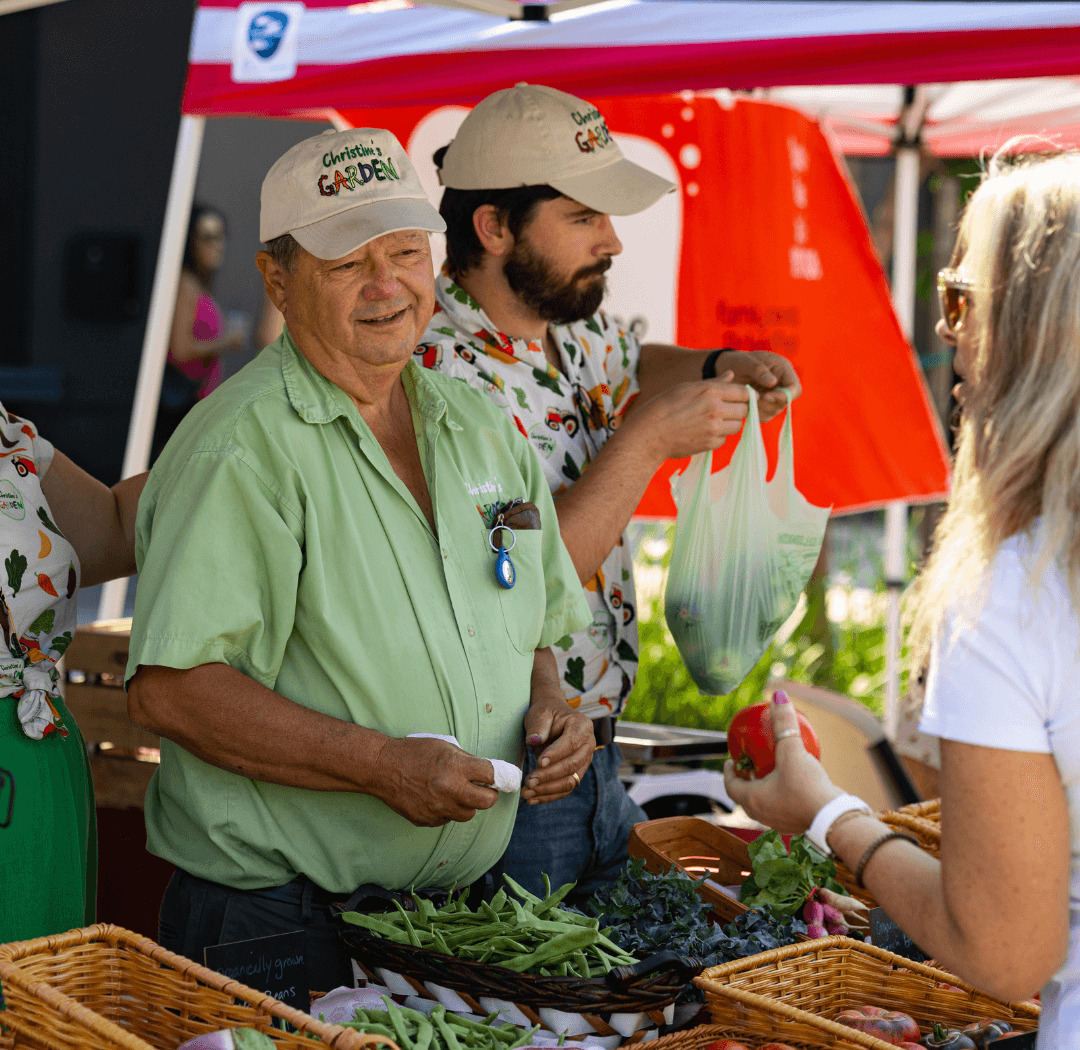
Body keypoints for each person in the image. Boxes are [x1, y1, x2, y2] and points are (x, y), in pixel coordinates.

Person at [124, 127, 592, 991]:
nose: (388, 287)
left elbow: (531, 629)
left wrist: (553, 709)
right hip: (277, 921)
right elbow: (172, 688)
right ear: (277, 279)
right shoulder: (242, 448)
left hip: (449, 914)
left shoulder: (481, 427)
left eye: (406, 252)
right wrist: (382, 767)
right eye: (347, 264)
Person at [725, 152, 1080, 1046]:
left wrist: (828, 813)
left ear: (1034, 327)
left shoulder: (1019, 590)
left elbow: (1003, 950)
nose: (942, 327)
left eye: (960, 298)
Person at [416, 83, 802, 903]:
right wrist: (647, 442)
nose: (614, 240)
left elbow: (628, 361)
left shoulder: (563, 319)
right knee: (529, 1009)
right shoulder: (437, 372)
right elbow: (518, 582)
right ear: (493, 227)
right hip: (510, 767)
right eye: (584, 216)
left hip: (593, 746)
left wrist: (714, 367)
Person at [0, 408, 146, 943]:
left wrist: (242, 427)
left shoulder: (7, 436)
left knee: (43, 1007)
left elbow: (113, 528)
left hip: (36, 762)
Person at [154, 206, 245, 457]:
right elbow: (180, 349)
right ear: (189, 241)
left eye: (220, 235)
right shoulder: (185, 284)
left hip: (197, 404)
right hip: (179, 408)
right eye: (207, 237)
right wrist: (227, 342)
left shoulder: (199, 285)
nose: (217, 245)